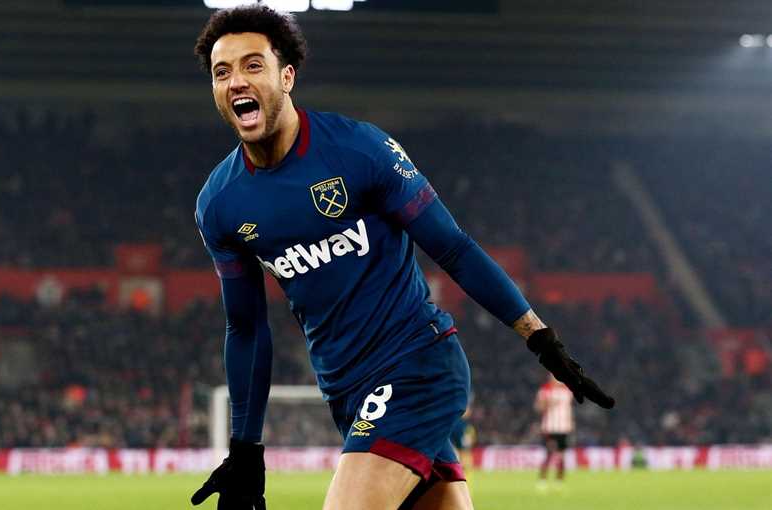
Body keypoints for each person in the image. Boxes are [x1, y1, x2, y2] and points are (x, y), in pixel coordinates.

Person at [189, 6, 615, 510]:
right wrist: (245, 447)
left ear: (287, 77)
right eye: (222, 72)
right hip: (347, 394)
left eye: (253, 65)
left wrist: (540, 338)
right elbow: (246, 328)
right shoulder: (221, 204)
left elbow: (453, 247)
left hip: (417, 366)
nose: (237, 81)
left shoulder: (358, 151)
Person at [534, 373, 574, 488]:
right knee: (549, 453)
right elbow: (538, 407)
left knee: (561, 455)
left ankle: (559, 480)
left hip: (563, 427)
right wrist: (548, 404)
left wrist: (571, 422)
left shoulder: (567, 390)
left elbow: (568, 408)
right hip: (550, 427)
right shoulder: (545, 390)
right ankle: (542, 479)